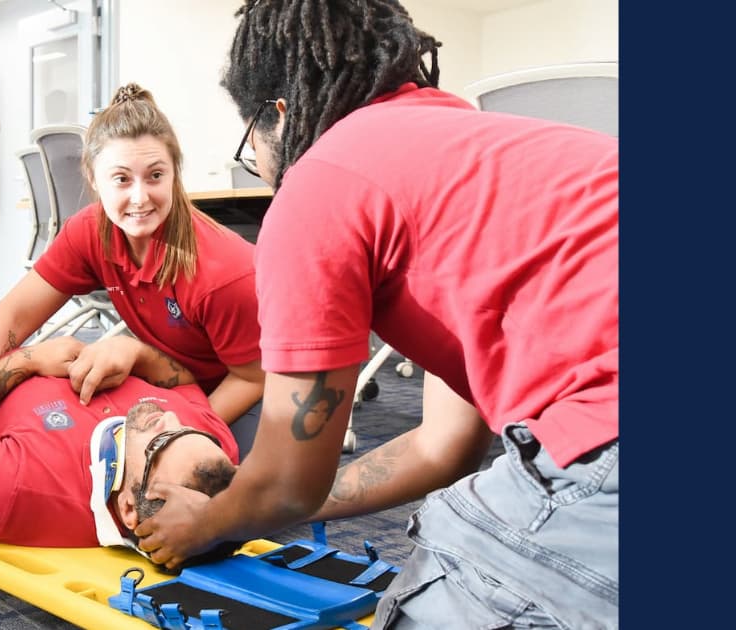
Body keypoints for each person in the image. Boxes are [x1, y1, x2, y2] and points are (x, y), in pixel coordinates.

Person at [133, 2, 619, 628]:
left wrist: (212, 521)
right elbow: (442, 447)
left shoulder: (320, 181)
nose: (257, 161)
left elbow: (284, 480)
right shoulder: (471, 160)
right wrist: (254, 504)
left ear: (278, 113)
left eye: (251, 139)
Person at [0, 83, 265, 457]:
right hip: (171, 381)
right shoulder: (90, 230)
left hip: (245, 388)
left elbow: (253, 377)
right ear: (93, 177)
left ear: (175, 175)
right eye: (121, 179)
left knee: (207, 498)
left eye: (155, 176)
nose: (140, 197)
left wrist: (171, 442)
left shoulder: (223, 271)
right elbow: (14, 315)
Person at [0, 335, 240, 562]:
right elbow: (184, 383)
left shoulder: (17, 488)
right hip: (29, 352)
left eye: (161, 442)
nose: (169, 416)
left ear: (129, 508)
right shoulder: (213, 454)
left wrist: (27, 361)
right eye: (186, 429)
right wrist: (135, 351)